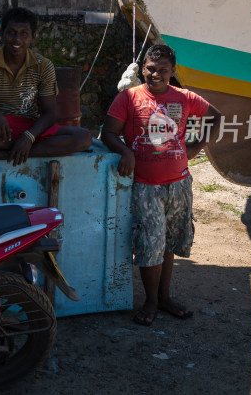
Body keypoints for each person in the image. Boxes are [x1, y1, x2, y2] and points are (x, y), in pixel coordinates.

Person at [101, 44, 222, 327]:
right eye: (151, 69)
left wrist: (195, 147)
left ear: (172, 71)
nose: (155, 75)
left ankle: (165, 297)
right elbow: (108, 133)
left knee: (167, 245)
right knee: (149, 244)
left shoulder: (184, 97)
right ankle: (151, 301)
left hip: (179, 184)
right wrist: (126, 152)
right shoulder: (128, 98)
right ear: (143, 69)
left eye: (162, 70)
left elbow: (215, 117)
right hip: (145, 187)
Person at [0, 7, 92, 165]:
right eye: (11, 32)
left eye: (24, 34)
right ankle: (18, 149)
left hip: (31, 128)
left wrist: (29, 136)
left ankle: (4, 154)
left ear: (33, 37)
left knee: (83, 138)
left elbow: (50, 114)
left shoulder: (43, 66)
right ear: (2, 34)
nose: (17, 39)